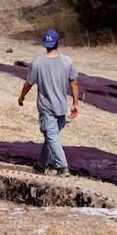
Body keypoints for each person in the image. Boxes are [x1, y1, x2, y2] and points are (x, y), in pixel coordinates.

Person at [18, 29, 80, 176]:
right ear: (58, 42)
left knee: (52, 137)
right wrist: (75, 104)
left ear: (45, 44)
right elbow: (74, 84)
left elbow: (28, 83)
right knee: (50, 137)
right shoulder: (67, 61)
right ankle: (40, 166)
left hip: (47, 108)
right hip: (61, 108)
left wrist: (21, 97)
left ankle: (62, 167)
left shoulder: (38, 62)